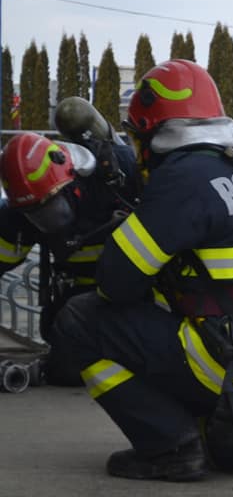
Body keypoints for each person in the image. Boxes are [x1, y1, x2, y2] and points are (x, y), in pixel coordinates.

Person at [49, 60, 233, 482]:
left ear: (151, 132)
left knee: (79, 320)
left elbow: (115, 284)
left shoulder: (182, 177)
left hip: (228, 365)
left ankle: (170, 446)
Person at [0, 112, 140, 385]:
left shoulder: (119, 172)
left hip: (138, 291)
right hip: (76, 294)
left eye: (54, 205)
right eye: (37, 213)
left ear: (70, 178)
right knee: (69, 369)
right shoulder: (18, 212)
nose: (49, 219)